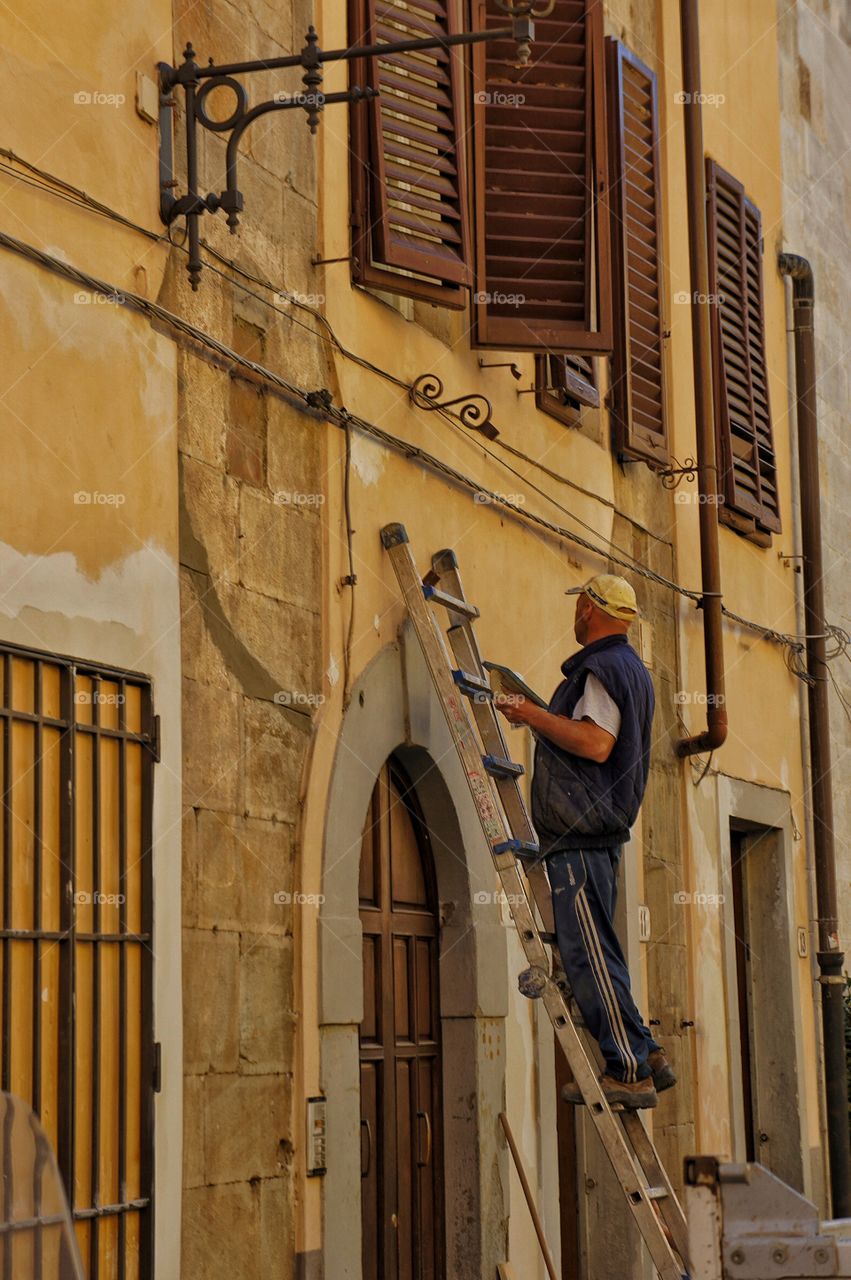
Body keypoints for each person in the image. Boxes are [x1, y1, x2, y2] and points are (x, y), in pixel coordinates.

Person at [496, 574, 675, 1109]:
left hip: (581, 828)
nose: (573, 615)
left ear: (591, 611)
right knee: (601, 949)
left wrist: (530, 716)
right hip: (594, 827)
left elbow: (596, 744)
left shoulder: (602, 668)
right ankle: (648, 1052)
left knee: (585, 953)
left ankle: (627, 1069)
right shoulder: (629, 670)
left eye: (578, 605)